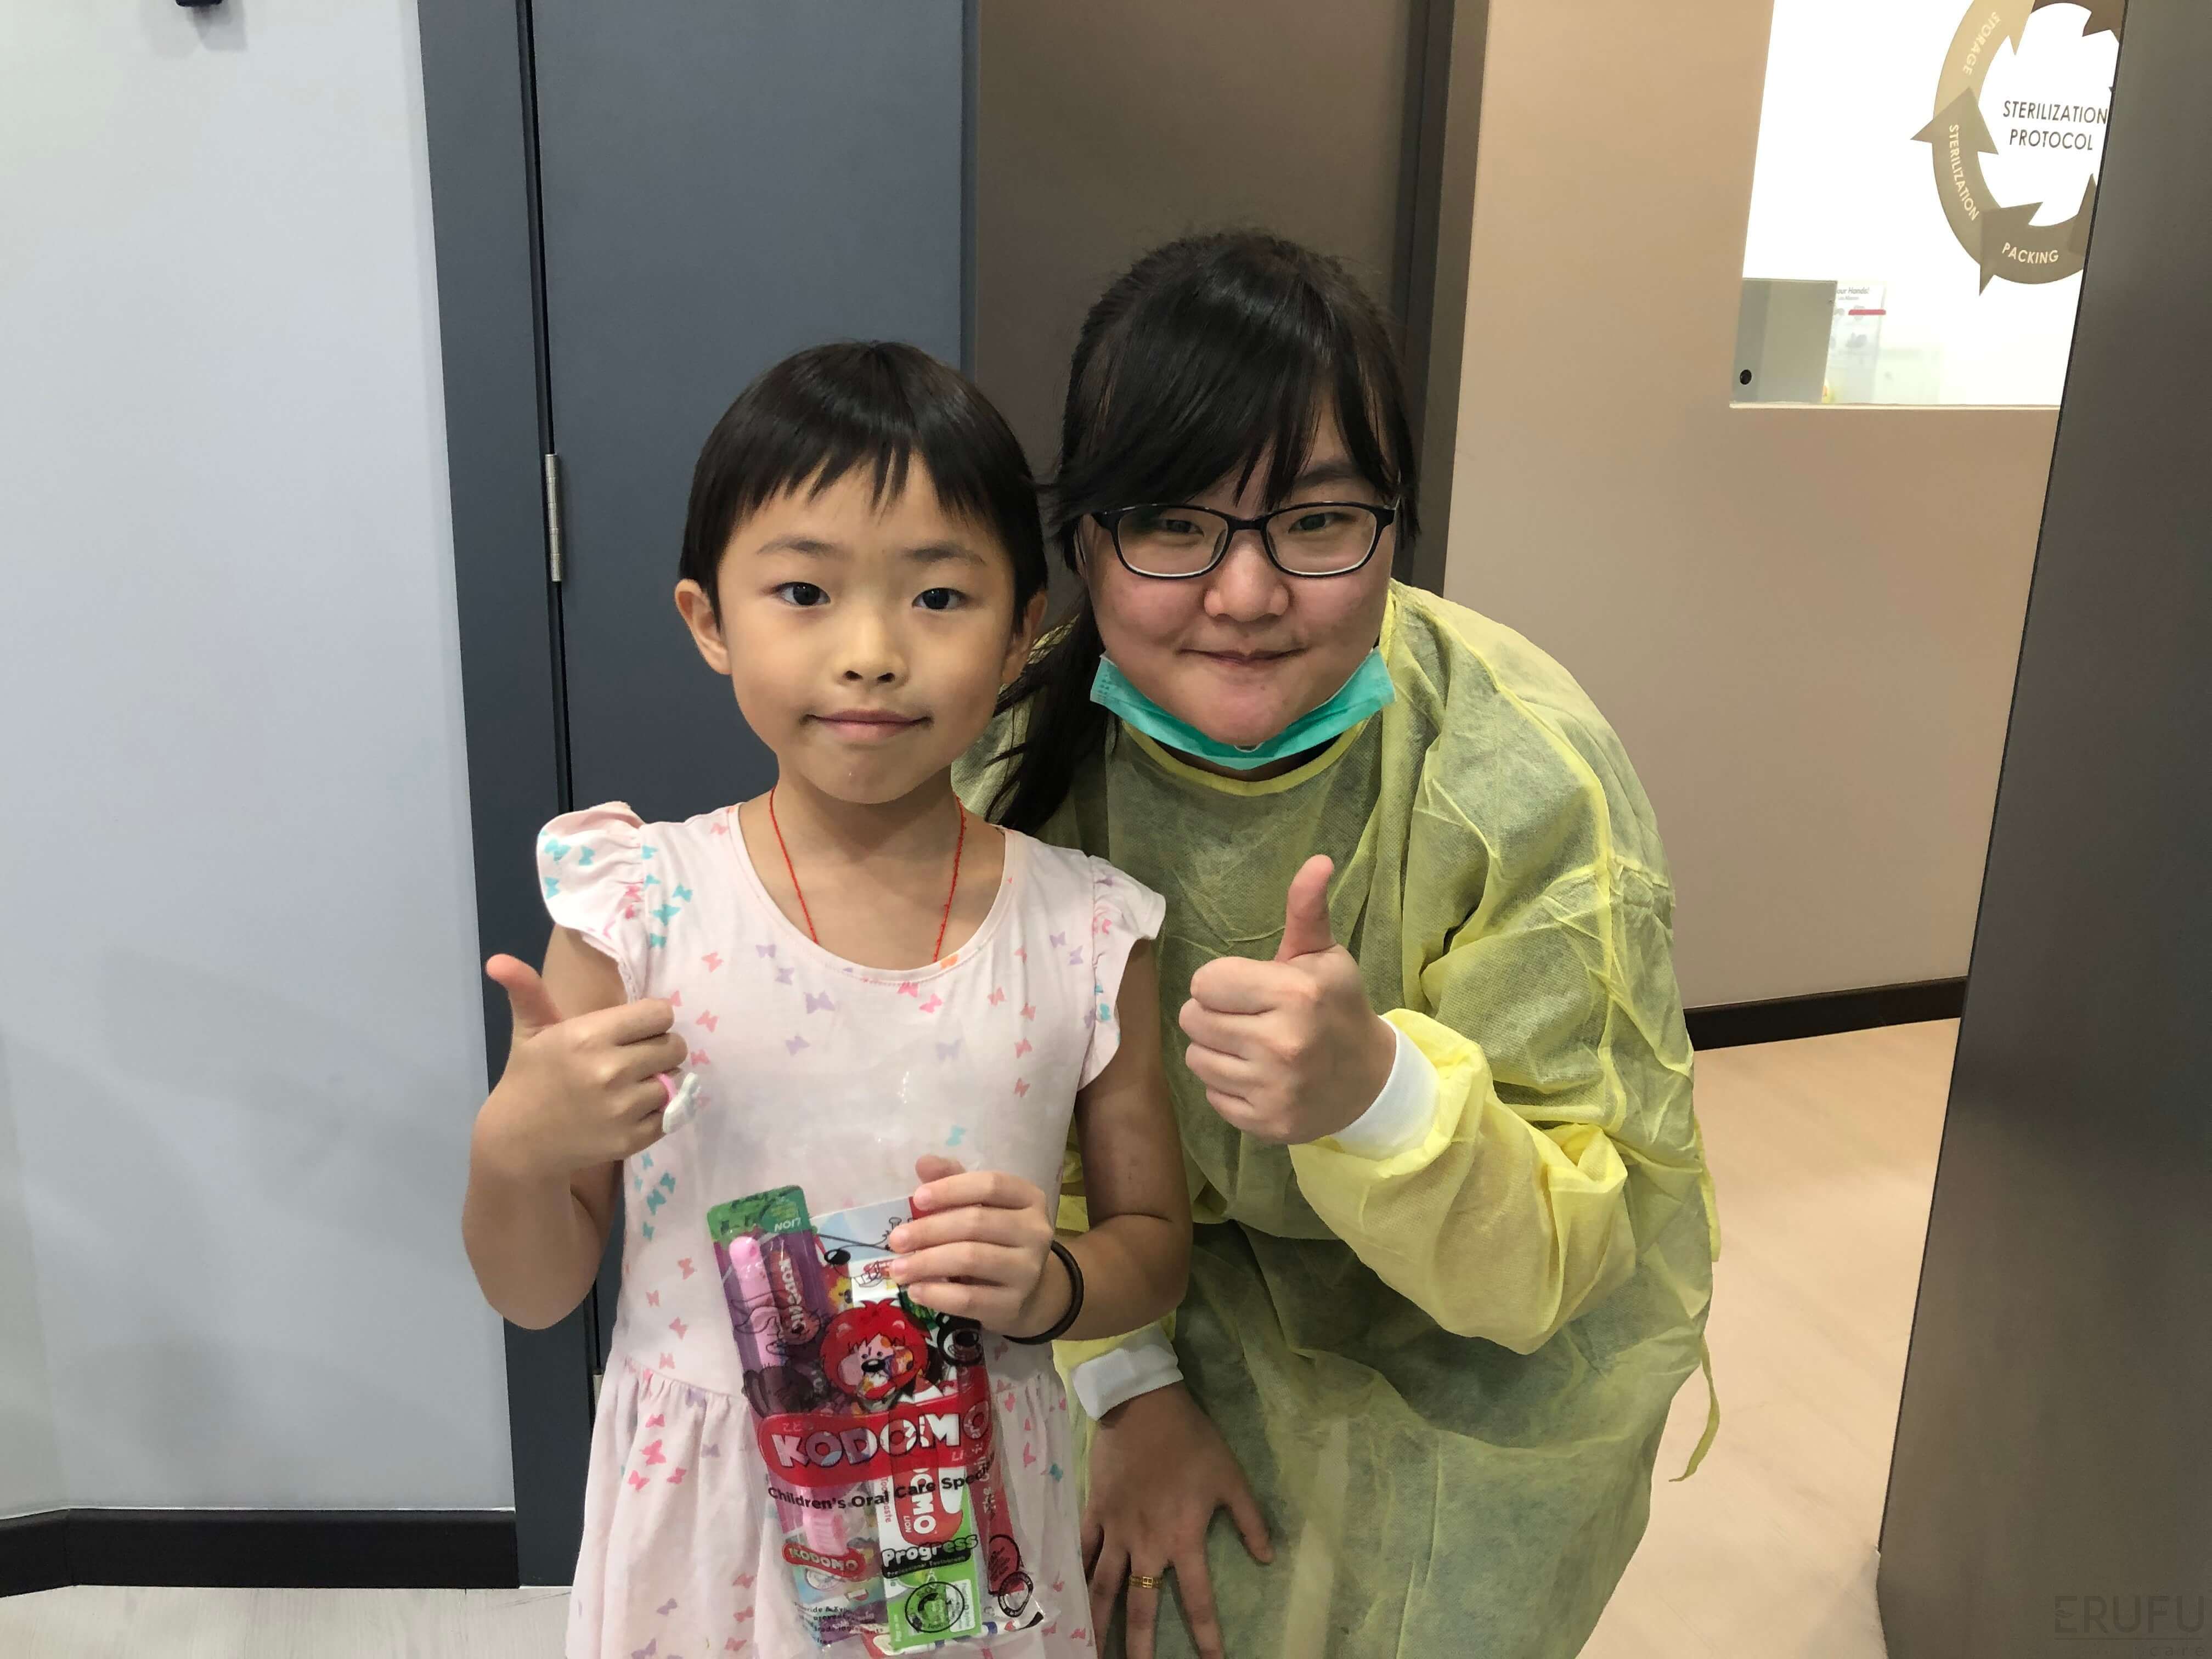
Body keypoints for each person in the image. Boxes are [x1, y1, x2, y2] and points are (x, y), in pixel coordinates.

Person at [956, 234, 1719, 1659]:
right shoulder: (1006, 772)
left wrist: (1378, 1097)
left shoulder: (1522, 776)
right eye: (1173, 522)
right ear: (1086, 538)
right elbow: (988, 1144)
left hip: (1475, 1348)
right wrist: (1126, 1388)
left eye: (1315, 521)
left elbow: (1562, 1253)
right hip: (1124, 1296)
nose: (1246, 594)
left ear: (1396, 522)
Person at [462, 342, 1193, 1658]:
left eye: (939, 597)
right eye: (803, 591)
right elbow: (534, 1290)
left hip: (963, 1510)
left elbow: (1153, 1242)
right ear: (709, 621)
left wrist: (1052, 1285)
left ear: (1021, 631)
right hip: (708, 1533)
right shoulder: (639, 911)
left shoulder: (1088, 934)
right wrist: (512, 1150)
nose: (870, 654)